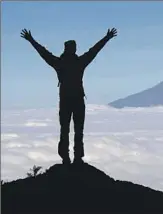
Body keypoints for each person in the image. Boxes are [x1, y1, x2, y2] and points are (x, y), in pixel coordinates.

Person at [20, 28, 117, 164]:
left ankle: (65, 157)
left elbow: (44, 53)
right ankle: (77, 158)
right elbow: (94, 50)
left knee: (64, 130)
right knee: (78, 130)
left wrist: (31, 40)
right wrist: (107, 38)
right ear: (74, 49)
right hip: (77, 100)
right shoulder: (80, 62)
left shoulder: (59, 63)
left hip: (65, 101)